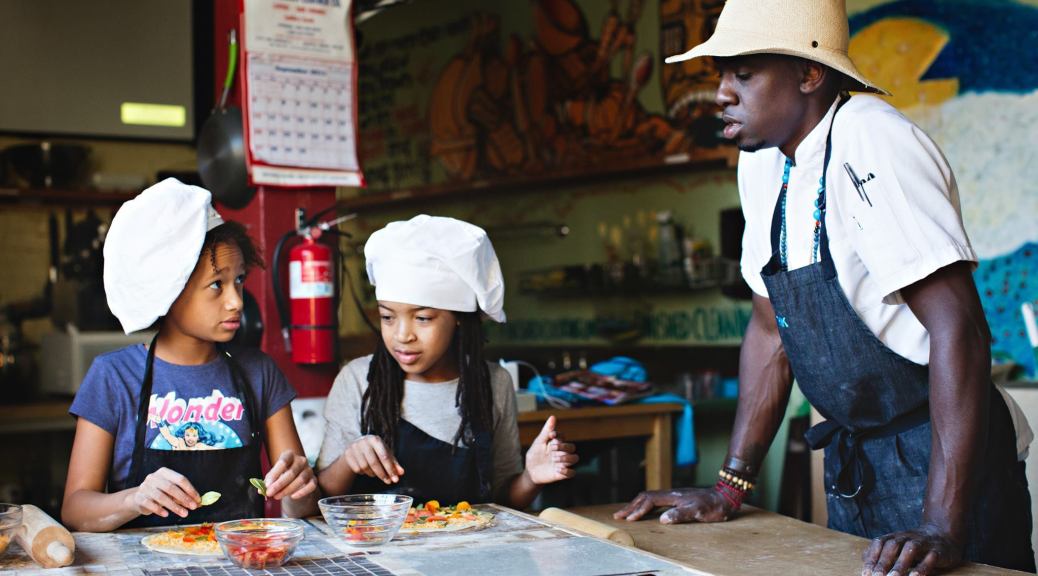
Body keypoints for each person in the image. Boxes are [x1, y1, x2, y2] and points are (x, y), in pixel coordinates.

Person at [613, 1, 1036, 574]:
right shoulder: (762, 163)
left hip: (947, 470)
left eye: (744, 73)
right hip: (856, 467)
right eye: (721, 74)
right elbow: (770, 333)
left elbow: (957, 327)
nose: (721, 93)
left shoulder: (874, 142)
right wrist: (730, 486)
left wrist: (940, 523)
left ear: (810, 74)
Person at [62, 179, 318, 531]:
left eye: (239, 280)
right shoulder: (114, 376)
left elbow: (300, 507)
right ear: (170, 288)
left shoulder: (259, 372)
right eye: (217, 285)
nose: (236, 301)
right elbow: (75, 509)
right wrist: (133, 499)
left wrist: (300, 487)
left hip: (242, 563)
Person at [317, 215, 578, 508]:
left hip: (468, 548)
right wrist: (348, 460)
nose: (403, 335)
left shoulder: (493, 383)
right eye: (387, 317)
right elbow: (318, 501)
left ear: (458, 319)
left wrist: (531, 478)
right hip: (374, 550)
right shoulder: (357, 380)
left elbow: (504, 501)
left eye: (423, 318)